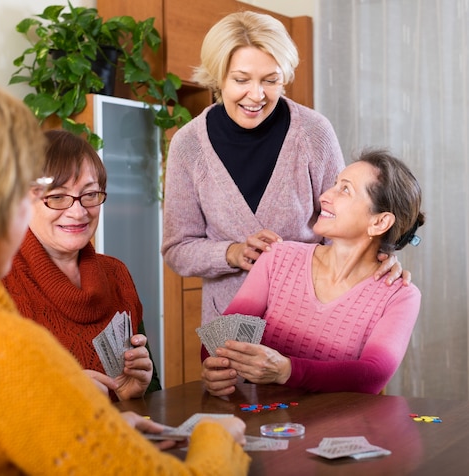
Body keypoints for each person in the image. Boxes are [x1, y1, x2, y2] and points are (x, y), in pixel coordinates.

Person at [0, 68, 250, 474]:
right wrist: (215, 438)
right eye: (35, 190)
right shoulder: (1, 348)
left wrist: (93, 428)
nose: (74, 209)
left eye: (89, 195)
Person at [161, 11, 406, 330]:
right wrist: (232, 253)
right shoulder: (188, 145)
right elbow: (177, 250)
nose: (257, 95)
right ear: (218, 76)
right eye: (241, 80)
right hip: (230, 325)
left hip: (314, 320)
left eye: (270, 80)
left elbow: (352, 221)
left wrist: (380, 260)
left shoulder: (313, 133)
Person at [202, 149, 424, 396]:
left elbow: (372, 375)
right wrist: (218, 368)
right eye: (334, 184)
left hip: (343, 429)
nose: (325, 196)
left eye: (345, 189)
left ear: (379, 222)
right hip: (265, 424)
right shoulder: (278, 257)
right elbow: (219, 343)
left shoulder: (400, 295)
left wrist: (287, 370)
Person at [3, 129, 160, 401]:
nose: (78, 212)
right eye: (57, 197)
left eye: (90, 195)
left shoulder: (117, 274)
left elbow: (152, 388)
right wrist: (60, 393)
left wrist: (135, 391)